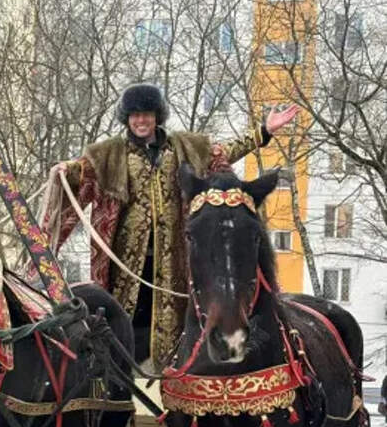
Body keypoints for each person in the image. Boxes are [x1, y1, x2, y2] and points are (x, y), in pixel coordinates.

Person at [41, 82, 299, 371]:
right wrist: (67, 171)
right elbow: (80, 173)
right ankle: (125, 382)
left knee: (175, 324)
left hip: (174, 263)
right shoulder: (108, 156)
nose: (141, 120)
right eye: (135, 115)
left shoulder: (183, 149)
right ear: (127, 119)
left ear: (157, 116)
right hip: (125, 267)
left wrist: (263, 132)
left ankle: (170, 381)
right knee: (124, 324)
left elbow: (223, 151)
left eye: (147, 114)